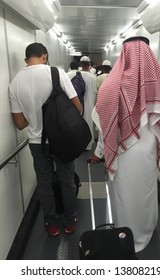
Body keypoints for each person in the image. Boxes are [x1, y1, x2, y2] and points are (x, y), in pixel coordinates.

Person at [91, 36, 160, 252]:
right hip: (148, 150)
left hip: (122, 152)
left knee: (124, 195)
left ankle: (127, 235)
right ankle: (147, 229)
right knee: (146, 189)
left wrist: (99, 151)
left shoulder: (110, 86)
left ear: (123, 53)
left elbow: (104, 125)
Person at [9, 43, 82, 237]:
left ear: (26, 60)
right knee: (67, 181)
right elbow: (78, 108)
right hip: (62, 140)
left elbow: (20, 123)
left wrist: (34, 117)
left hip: (35, 142)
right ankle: (70, 220)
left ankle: (50, 222)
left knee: (44, 183)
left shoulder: (14, 83)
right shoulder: (57, 73)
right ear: (45, 56)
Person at [79, 55, 97, 150]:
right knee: (89, 124)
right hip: (89, 105)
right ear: (89, 65)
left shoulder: (76, 75)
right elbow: (95, 92)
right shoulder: (92, 77)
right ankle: (88, 145)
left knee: (78, 124)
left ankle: (78, 143)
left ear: (80, 64)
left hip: (78, 104)